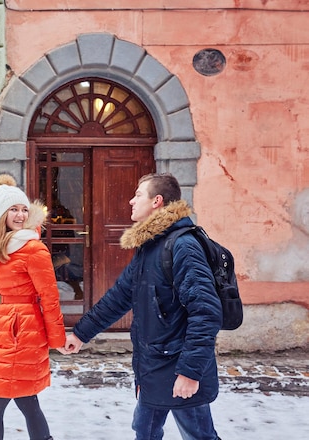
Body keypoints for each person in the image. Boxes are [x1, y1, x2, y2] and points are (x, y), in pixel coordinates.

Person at [62, 173, 223, 440]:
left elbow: (206, 312)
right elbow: (118, 298)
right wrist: (81, 334)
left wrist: (190, 372)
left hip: (178, 365)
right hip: (152, 365)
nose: (131, 200)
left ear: (157, 201)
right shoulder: (150, 247)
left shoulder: (183, 246)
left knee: (199, 434)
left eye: (138, 194)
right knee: (144, 431)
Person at [0, 173, 66, 440]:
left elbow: (49, 296)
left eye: (23, 209)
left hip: (23, 331)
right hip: (0, 331)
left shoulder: (33, 249)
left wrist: (57, 339)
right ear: (1, 214)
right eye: (13, 210)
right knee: (26, 401)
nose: (20, 215)